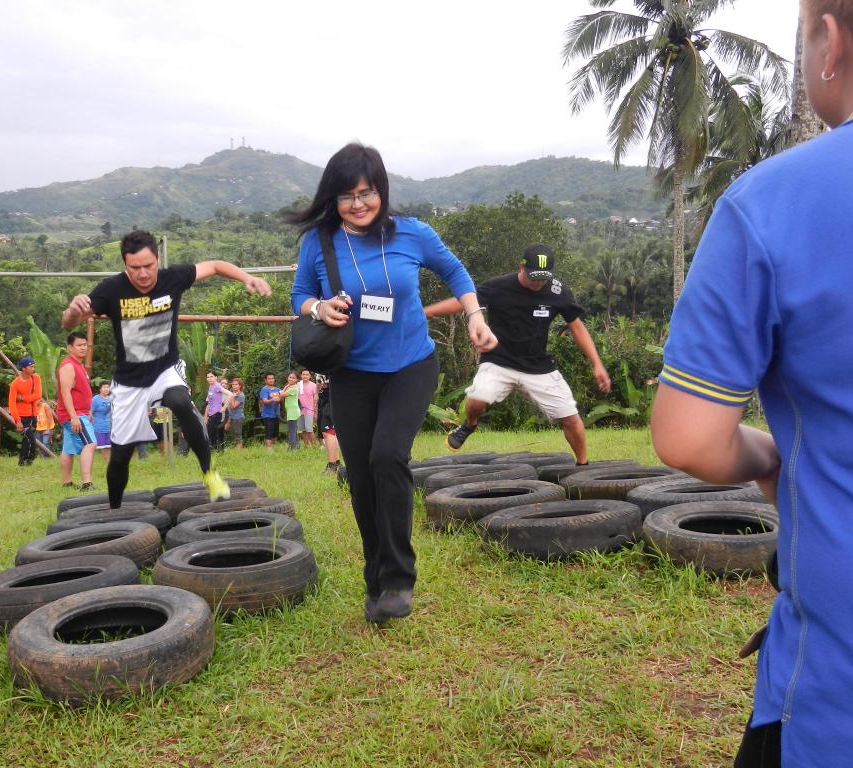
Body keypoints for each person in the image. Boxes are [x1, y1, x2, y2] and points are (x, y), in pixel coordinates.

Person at [650, 4, 853, 764]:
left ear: (829, 39)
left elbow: (688, 437)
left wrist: (768, 457)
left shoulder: (774, 202)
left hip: (834, 705)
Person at [290, 142, 496, 624]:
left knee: (388, 457)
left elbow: (455, 271)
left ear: (380, 189)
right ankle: (375, 577)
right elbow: (301, 293)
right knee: (360, 479)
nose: (357, 204)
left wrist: (474, 315)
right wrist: (318, 308)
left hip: (410, 365)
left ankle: (400, 576)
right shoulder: (319, 242)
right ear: (333, 199)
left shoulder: (411, 232)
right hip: (353, 374)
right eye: (346, 196)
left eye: (365, 193)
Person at [62, 230, 271, 508]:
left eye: (148, 266)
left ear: (157, 260)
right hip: (129, 382)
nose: (144, 274)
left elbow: (216, 266)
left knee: (180, 401)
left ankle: (210, 475)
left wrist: (247, 277)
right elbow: (70, 323)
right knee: (122, 454)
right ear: (125, 265)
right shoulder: (112, 289)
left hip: (165, 369)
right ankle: (114, 508)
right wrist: (74, 310)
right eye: (135, 268)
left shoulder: (174, 278)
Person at [425, 244, 611, 464]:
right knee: (477, 400)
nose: (538, 283)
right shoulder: (498, 287)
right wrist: (425, 312)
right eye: (534, 277)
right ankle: (469, 425)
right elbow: (463, 302)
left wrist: (597, 364)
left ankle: (583, 465)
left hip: (538, 365)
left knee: (570, 418)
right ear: (521, 267)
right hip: (499, 360)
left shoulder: (557, 291)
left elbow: (577, 327)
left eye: (543, 278)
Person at [55, 332, 96, 491]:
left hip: (81, 413)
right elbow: (65, 393)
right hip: (74, 414)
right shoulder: (68, 365)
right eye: (79, 345)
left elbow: (81, 391)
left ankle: (66, 482)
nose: (83, 348)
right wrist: (74, 417)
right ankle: (87, 483)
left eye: (85, 345)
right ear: (70, 347)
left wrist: (88, 411)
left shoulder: (78, 364)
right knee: (90, 443)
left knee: (68, 449)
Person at [8, 357, 42, 466]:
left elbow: (38, 395)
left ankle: (23, 462)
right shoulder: (15, 384)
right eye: (31, 366)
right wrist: (17, 420)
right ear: (23, 368)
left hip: (33, 414)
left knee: (27, 440)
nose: (33, 368)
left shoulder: (36, 378)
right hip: (21, 416)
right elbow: (12, 403)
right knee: (30, 439)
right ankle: (30, 458)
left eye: (33, 366)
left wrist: (22, 398)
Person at [317, 375, 342, 473]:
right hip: (327, 396)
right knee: (330, 431)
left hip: (331, 395)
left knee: (328, 432)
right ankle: (337, 463)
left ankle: (332, 466)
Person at [204, 372, 230, 452]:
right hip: (211, 414)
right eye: (208, 377)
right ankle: (216, 451)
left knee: (213, 434)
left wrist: (224, 407)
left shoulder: (217, 386)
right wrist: (205, 417)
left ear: (215, 377)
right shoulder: (210, 387)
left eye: (211, 376)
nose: (209, 378)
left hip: (217, 414)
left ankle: (216, 451)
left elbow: (231, 394)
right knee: (211, 434)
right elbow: (209, 403)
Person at [91, 381, 113, 461]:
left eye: (108, 387)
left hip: (108, 427)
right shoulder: (95, 399)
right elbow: (90, 412)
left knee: (108, 447)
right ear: (100, 389)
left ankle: (110, 464)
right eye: (104, 387)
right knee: (93, 447)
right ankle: (87, 462)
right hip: (97, 428)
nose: (106, 389)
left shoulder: (111, 398)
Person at [279, 371, 301, 451]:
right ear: (287, 378)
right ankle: (297, 447)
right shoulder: (290, 387)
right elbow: (282, 394)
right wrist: (287, 386)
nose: (291, 379)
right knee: (294, 430)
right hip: (292, 411)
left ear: (297, 380)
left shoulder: (293, 388)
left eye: (293, 378)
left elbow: (281, 395)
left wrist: (286, 386)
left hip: (293, 412)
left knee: (291, 431)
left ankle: (292, 448)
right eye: (290, 377)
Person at [258, 373, 281, 448]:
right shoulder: (264, 389)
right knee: (269, 434)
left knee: (274, 434)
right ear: (266, 380)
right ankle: (269, 450)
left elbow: (283, 395)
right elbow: (264, 401)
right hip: (267, 415)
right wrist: (273, 399)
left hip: (276, 415)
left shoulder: (277, 389)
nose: (271, 380)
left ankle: (271, 448)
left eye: (272, 378)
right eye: (269, 378)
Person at [297, 369, 318, 447]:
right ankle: (306, 446)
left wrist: (315, 411)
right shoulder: (298, 385)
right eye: (303, 374)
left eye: (306, 374)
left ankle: (314, 446)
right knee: (303, 429)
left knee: (309, 429)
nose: (305, 376)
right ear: (301, 375)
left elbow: (316, 398)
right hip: (299, 410)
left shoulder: (313, 385)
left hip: (309, 410)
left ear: (309, 376)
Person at [225, 377, 246, 449]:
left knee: (238, 435)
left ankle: (239, 451)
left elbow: (233, 406)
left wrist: (231, 397)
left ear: (240, 385)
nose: (234, 386)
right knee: (234, 434)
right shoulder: (233, 394)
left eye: (236, 384)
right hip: (232, 417)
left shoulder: (241, 395)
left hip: (238, 417)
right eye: (233, 384)